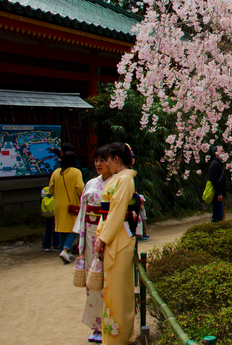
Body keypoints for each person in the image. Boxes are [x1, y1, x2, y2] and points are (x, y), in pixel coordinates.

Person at [94, 142, 138, 345]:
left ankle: (122, 338)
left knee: (120, 290)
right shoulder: (119, 179)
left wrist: (103, 237)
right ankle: (112, 337)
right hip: (113, 234)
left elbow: (118, 211)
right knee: (112, 290)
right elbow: (110, 213)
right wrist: (100, 234)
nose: (105, 163)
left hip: (119, 237)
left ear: (116, 159)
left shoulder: (125, 179)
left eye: (107, 159)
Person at [72, 145, 112, 344]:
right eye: (96, 160)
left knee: (109, 281)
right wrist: (80, 241)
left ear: (111, 161)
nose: (98, 164)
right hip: (89, 235)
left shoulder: (117, 183)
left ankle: (110, 324)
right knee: (93, 279)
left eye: (102, 160)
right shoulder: (90, 184)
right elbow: (83, 211)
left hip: (109, 236)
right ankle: (95, 326)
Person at [49, 150, 84, 263]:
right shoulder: (76, 172)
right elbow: (80, 187)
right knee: (74, 228)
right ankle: (65, 249)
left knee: (61, 228)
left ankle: (63, 251)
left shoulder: (56, 172)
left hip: (58, 204)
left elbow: (51, 188)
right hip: (71, 204)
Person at [208, 145, 227, 223]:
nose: (223, 153)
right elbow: (214, 180)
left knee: (219, 213)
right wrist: (219, 193)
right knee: (218, 214)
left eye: (223, 151)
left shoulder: (219, 164)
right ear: (216, 153)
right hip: (217, 194)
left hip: (220, 193)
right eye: (221, 151)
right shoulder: (214, 165)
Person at [41, 185, 59, 252]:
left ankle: (46, 246)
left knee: (48, 229)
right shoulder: (57, 188)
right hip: (55, 212)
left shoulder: (44, 190)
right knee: (56, 229)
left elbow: (41, 199)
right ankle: (55, 245)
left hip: (47, 213)